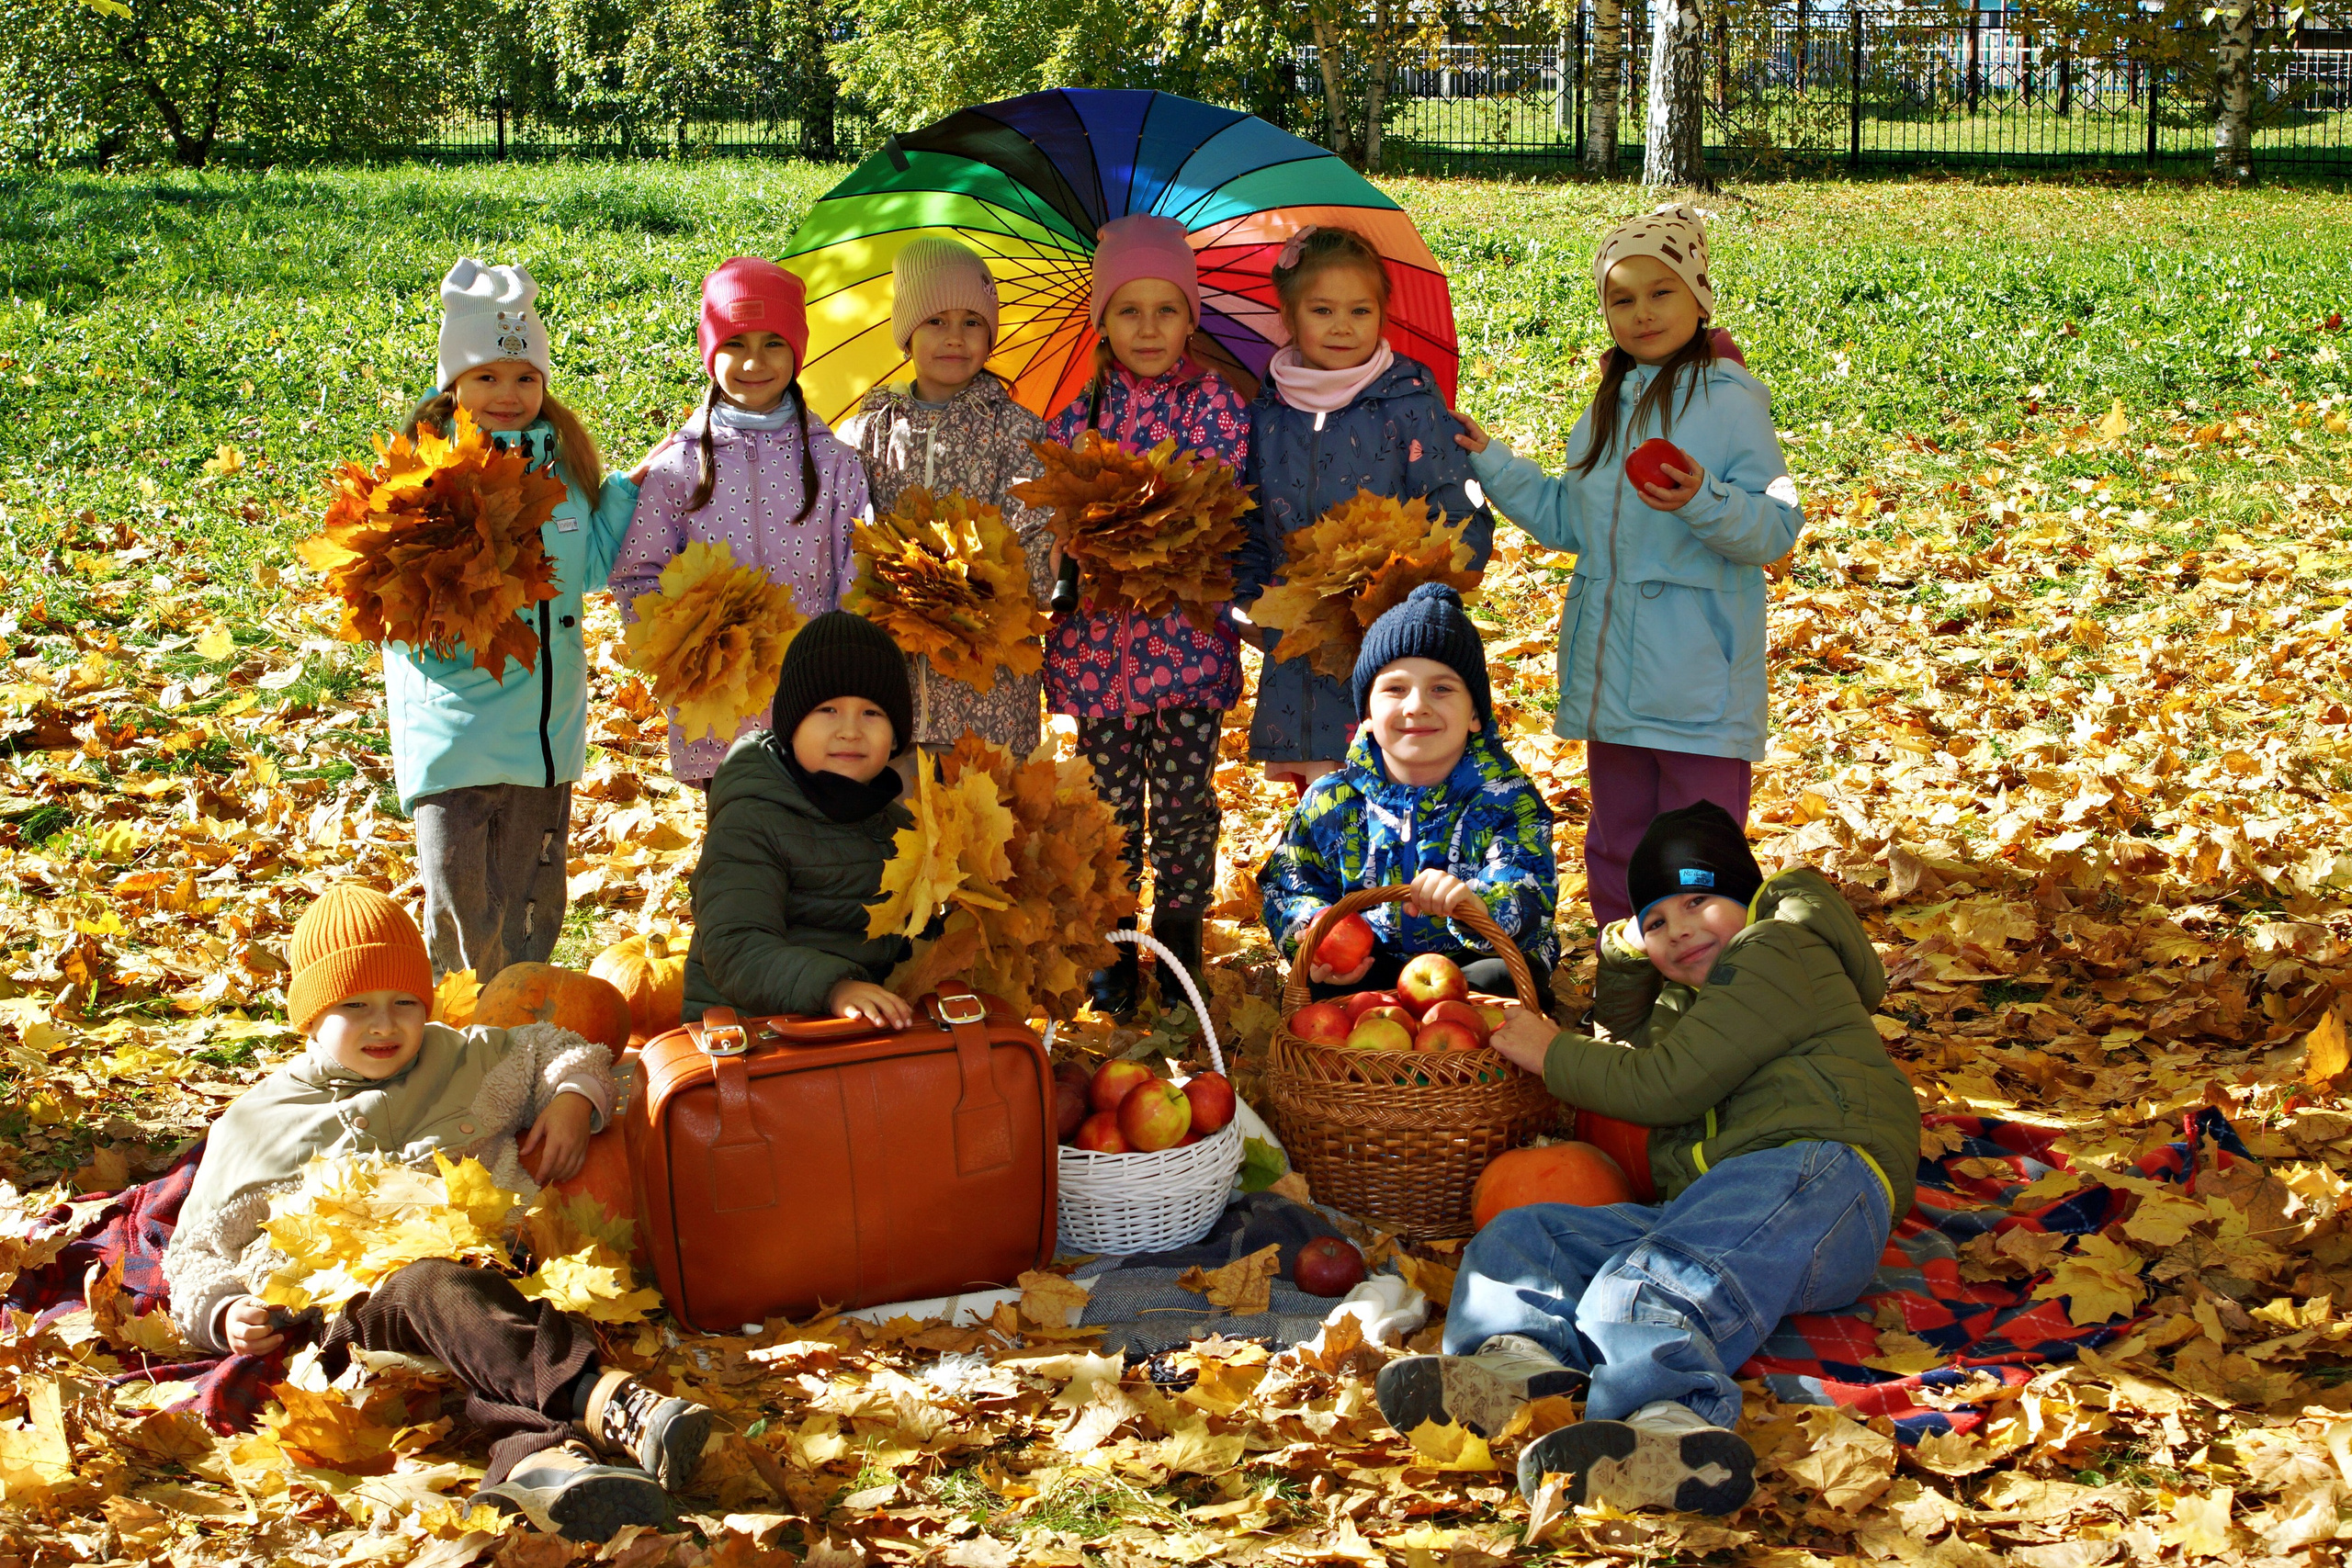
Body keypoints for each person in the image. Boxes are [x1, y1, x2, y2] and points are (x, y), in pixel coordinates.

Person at [1373, 802, 1919, 1517]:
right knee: (1522, 1238)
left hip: (1823, 1177)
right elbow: (1623, 1025)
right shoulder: (1698, 994)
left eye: (1700, 900)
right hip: (1731, 1204)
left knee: (1643, 1287)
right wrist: (1629, 949)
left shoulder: (1780, 948)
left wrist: (1550, 1053)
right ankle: (1516, 1366)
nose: (1680, 928)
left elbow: (1667, 1082)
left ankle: (1670, 1427)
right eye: (1657, 919)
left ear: (1748, 898)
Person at [161, 885, 716, 1539]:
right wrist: (224, 1311)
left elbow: (556, 1045)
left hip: (494, 1275)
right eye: (355, 1006)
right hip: (357, 1315)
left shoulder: (463, 1057)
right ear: (310, 1016)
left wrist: (572, 1095)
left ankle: (548, 1463)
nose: (385, 1025)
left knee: (485, 1305)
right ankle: (610, 1400)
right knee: (429, 1282)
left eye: (404, 1003)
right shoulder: (258, 1124)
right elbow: (193, 1253)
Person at [1451, 204, 1803, 932]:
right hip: (1613, 677)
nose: (1641, 313)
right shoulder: (1606, 406)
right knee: (1615, 844)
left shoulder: (1731, 402)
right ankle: (1626, 978)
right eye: (1621, 297)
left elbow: (1775, 525)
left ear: (1699, 297)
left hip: (1697, 683)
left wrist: (1702, 497)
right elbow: (1565, 518)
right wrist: (1489, 458)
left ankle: (1705, 990)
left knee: (1698, 851)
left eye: (1660, 291)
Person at [396, 260, 641, 983]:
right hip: (459, 737)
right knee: (463, 902)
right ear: (453, 386)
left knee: (533, 899)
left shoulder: (560, 468)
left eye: (525, 377)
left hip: (544, 740)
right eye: (487, 376)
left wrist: (628, 492)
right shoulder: (426, 478)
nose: (509, 394)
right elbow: (405, 606)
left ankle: (523, 1020)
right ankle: (466, 1030)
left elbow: (590, 567)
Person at [1043, 215, 1251, 1020]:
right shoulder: (1079, 415)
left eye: (1168, 310)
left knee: (1184, 803)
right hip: (1101, 656)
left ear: (1190, 318)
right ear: (1103, 320)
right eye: (1129, 310)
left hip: (1189, 649)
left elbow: (1223, 502)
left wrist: (1163, 520)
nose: (1150, 328)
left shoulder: (1217, 409)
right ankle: (1117, 943)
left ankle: (1182, 935)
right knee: (1109, 806)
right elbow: (1057, 511)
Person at [1237, 225, 1493, 793]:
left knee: (1398, 787)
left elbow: (1460, 510)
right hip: (1302, 647)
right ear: (1290, 314)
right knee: (1323, 804)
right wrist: (1254, 602)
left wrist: (1421, 598)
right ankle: (1331, 882)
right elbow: (1249, 520)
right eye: (1322, 309)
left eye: (1360, 309)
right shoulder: (1267, 415)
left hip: (1393, 642)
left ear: (1383, 313)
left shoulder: (1410, 406)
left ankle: (1398, 882)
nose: (1342, 325)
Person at [613, 257, 871, 790]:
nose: (754, 361)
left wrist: (842, 671)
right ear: (711, 352)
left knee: (813, 857)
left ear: (797, 351)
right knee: (737, 859)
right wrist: (680, 654)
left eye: (773, 342)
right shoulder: (677, 467)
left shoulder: (835, 464)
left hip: (813, 707)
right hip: (717, 715)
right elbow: (639, 573)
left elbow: (858, 570)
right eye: (735, 343)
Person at [1256, 583, 1557, 1007]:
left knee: (1499, 979)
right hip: (1373, 962)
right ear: (1367, 716)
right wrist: (1311, 932)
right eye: (1395, 689)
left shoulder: (1508, 799)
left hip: (1474, 956)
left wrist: (1476, 904)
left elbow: (1527, 887)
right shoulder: (1332, 800)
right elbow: (1288, 880)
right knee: (1328, 992)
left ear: (1475, 714)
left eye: (1442, 689)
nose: (1416, 706)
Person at [839, 237, 1053, 760]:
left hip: (990, 690)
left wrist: (972, 593)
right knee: (901, 822)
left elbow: (1036, 540)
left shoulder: (1017, 432)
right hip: (894, 686)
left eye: (972, 322)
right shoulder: (868, 431)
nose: (955, 338)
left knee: (986, 826)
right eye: (936, 320)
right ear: (906, 333)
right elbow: (841, 531)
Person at [682, 611, 920, 1030]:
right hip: (755, 1038)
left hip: (857, 1032)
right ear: (791, 726)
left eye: (872, 714)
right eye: (827, 709)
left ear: (897, 737)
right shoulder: (752, 820)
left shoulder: (902, 828)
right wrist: (835, 988)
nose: (850, 731)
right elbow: (735, 947)